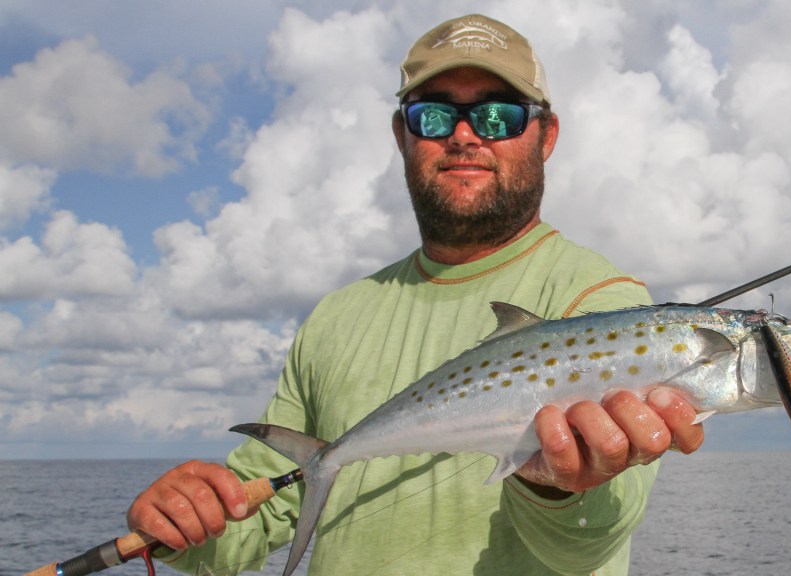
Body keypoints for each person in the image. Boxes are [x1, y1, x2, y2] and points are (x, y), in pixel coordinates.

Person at [127, 13, 703, 575]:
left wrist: (559, 486)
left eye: (498, 116)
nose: (464, 135)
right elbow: (256, 522)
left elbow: (586, 549)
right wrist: (181, 523)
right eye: (433, 115)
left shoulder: (605, 302)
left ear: (545, 136)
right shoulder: (336, 316)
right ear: (402, 135)